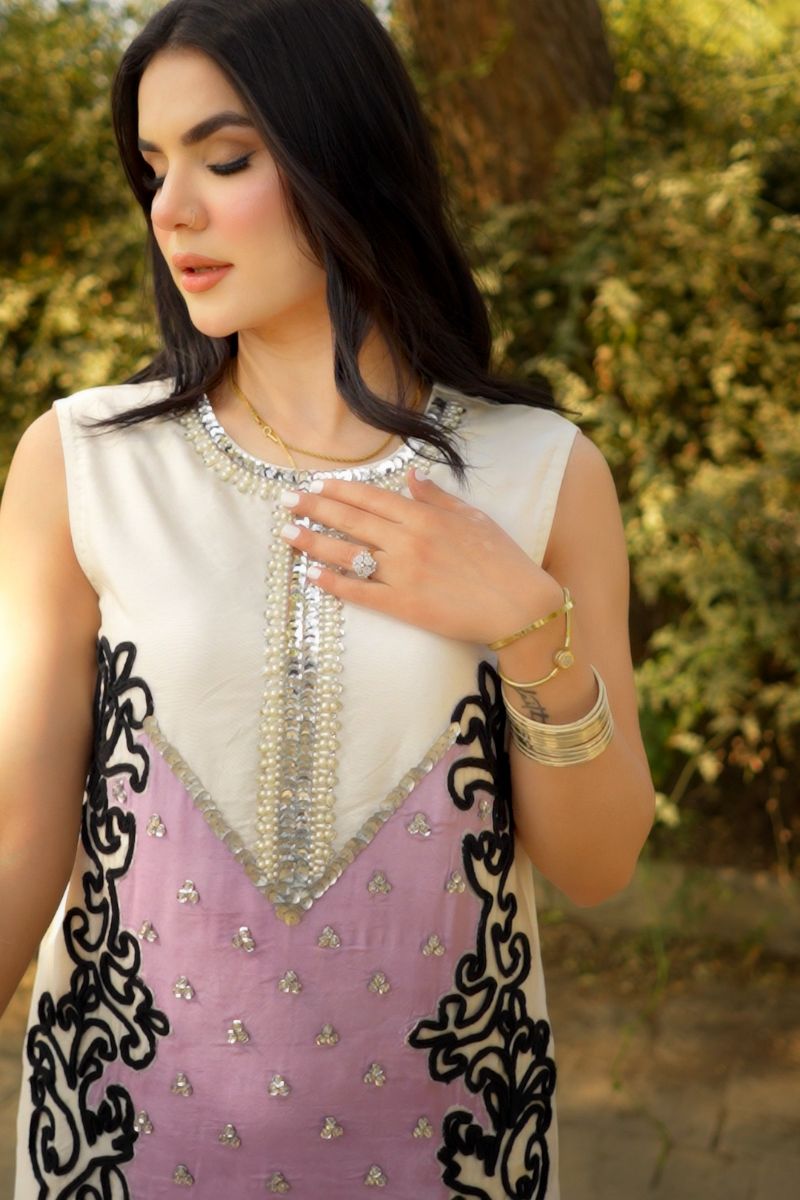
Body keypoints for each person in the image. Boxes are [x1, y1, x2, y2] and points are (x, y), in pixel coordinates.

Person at [0, 1, 655, 1196]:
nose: (170, 209)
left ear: (342, 154)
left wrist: (526, 627)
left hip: (448, 1154)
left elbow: (598, 864)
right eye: (153, 167)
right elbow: (17, 834)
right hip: (122, 1154)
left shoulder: (539, 472)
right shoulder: (85, 463)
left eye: (224, 159)